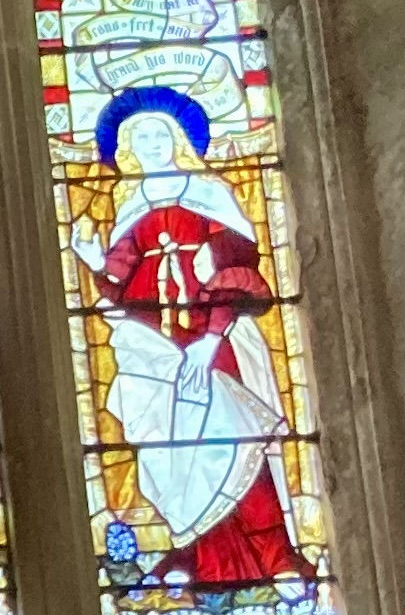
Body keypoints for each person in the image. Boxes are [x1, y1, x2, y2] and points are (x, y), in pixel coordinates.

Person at [69, 85, 307, 585]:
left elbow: (236, 268)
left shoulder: (211, 196)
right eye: (141, 136)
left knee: (235, 440)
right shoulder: (131, 205)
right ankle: (200, 557)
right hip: (157, 352)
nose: (152, 144)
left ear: (178, 139)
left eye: (161, 133)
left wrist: (211, 339)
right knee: (175, 454)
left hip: (212, 343)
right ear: (128, 149)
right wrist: (96, 264)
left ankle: (275, 556)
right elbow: (121, 281)